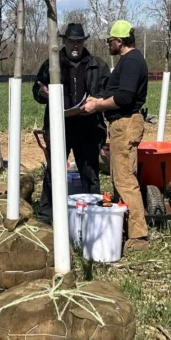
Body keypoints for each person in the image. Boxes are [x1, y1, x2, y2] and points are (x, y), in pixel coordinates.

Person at [82, 20, 150, 251]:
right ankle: (127, 226)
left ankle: (138, 236)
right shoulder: (129, 60)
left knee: (125, 179)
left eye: (110, 40)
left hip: (125, 123)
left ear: (119, 41)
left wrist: (98, 105)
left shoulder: (131, 61)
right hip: (121, 124)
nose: (108, 44)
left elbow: (124, 98)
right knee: (121, 176)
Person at [32, 22, 110, 225]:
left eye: (78, 42)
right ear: (64, 41)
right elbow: (36, 90)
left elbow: (107, 92)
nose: (75, 46)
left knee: (90, 173)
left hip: (88, 127)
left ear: (84, 42)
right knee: (53, 172)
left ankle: (92, 215)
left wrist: (96, 101)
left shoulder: (97, 65)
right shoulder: (52, 64)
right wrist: (43, 94)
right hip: (60, 127)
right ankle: (46, 217)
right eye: (71, 42)